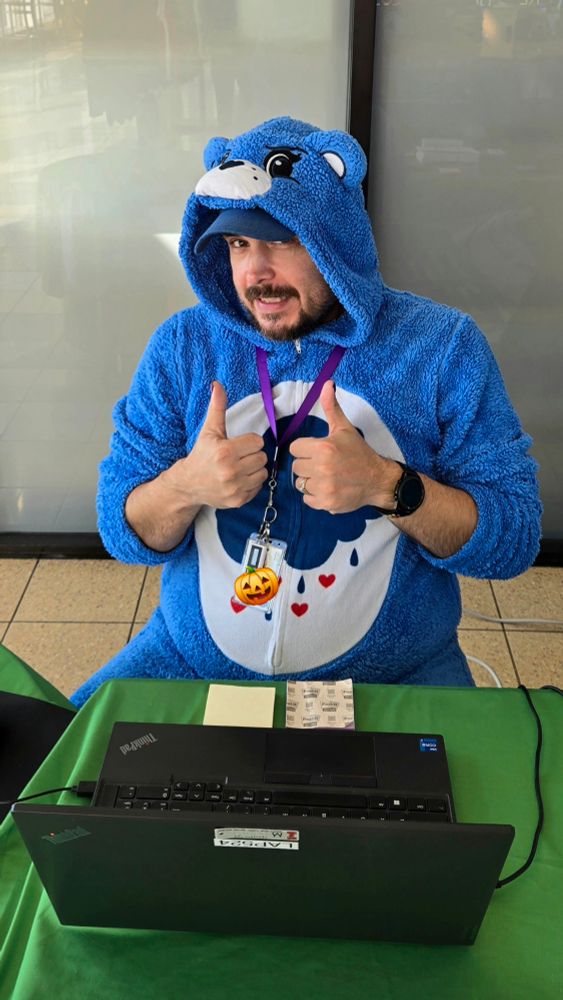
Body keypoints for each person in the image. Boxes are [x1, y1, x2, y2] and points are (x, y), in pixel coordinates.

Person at [70, 116, 541, 707]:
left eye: (282, 241)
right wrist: (185, 485)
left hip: (394, 677)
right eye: (239, 244)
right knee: (49, 775)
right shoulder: (185, 346)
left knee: (470, 798)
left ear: (334, 243)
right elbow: (123, 529)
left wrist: (390, 486)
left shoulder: (441, 346)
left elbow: (514, 538)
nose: (254, 272)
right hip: (189, 662)